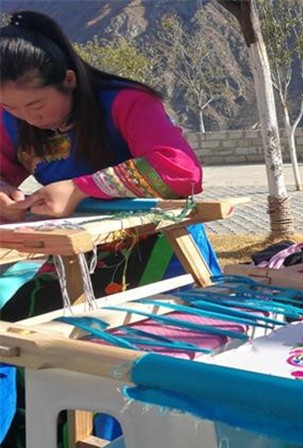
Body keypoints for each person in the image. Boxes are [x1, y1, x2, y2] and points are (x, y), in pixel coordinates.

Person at [0, 11, 219, 320]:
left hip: (161, 249)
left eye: (36, 105)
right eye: (9, 106)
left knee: (156, 333)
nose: (27, 117)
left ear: (69, 80)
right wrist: (4, 193)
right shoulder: (11, 121)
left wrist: (79, 189)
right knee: (22, 325)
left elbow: (180, 171)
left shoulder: (127, 102)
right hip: (79, 254)